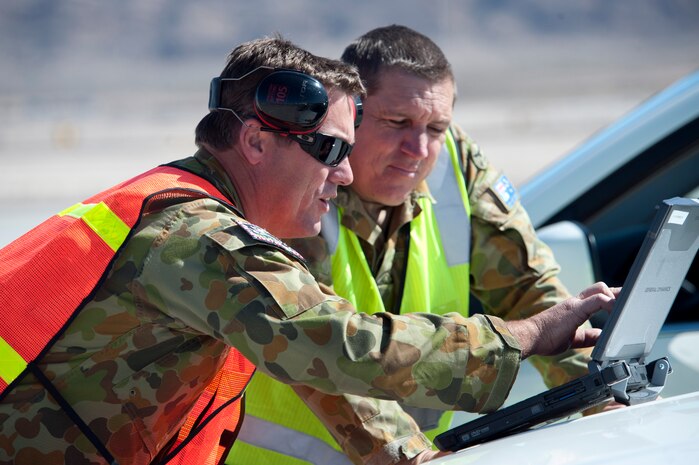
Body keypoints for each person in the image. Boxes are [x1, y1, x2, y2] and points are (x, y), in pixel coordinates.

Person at [0, 36, 617, 465]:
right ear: (255, 142)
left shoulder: (184, 212)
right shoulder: (199, 238)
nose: (344, 176)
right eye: (328, 151)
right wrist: (527, 335)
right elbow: (336, 341)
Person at [230, 26, 604, 465]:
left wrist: (601, 393)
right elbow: (332, 355)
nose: (418, 148)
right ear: (353, 114)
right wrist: (414, 457)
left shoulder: (452, 163)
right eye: (397, 123)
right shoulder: (300, 183)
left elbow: (526, 286)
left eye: (436, 127)